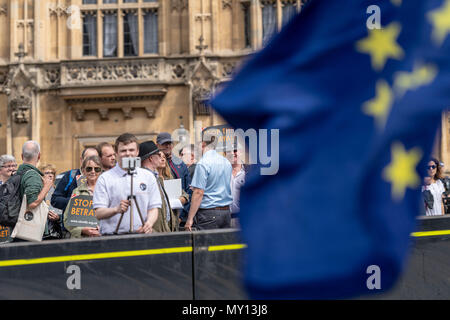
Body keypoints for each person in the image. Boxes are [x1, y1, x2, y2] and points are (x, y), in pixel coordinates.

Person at [93, 133, 161, 235]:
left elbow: (153, 208)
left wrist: (149, 223)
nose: (128, 154)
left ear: (137, 152)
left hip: (141, 236)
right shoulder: (105, 178)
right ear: (116, 153)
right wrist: (116, 209)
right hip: (113, 237)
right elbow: (98, 213)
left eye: (131, 150)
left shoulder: (148, 176)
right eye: (123, 151)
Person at [184, 131, 233, 231]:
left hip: (209, 213)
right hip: (226, 212)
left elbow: (198, 192)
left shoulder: (203, 163)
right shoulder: (226, 162)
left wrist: (190, 218)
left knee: (207, 245)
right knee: (224, 246)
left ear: (203, 143)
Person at [14, 141, 53, 241]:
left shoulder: (19, 173)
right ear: (39, 156)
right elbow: (32, 202)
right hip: (30, 231)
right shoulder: (32, 176)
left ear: (22, 156)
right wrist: (46, 187)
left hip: (20, 227)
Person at [51, 147, 99, 229]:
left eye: (95, 158)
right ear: (81, 160)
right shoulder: (70, 176)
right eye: (88, 158)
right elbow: (55, 199)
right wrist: (75, 202)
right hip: (72, 229)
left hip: (95, 228)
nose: (91, 161)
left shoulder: (103, 178)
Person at [139, 141, 179, 232]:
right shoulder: (143, 178)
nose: (161, 157)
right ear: (151, 158)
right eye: (158, 155)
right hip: (153, 231)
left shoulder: (155, 176)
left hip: (163, 230)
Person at [63, 156, 101, 238]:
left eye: (97, 169)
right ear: (83, 171)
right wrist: (82, 230)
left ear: (101, 171)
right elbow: (67, 220)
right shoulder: (76, 192)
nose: (93, 171)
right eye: (89, 169)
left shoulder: (107, 191)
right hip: (81, 241)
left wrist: (103, 229)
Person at [39, 164, 63, 239]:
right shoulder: (38, 190)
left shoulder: (59, 191)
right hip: (41, 231)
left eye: (52, 173)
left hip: (56, 231)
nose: (50, 175)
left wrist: (58, 218)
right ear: (41, 176)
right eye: (47, 173)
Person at [226, 147, 246, 228]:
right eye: (228, 151)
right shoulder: (222, 172)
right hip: (224, 218)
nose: (232, 153)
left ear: (242, 152)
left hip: (242, 218)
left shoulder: (249, 172)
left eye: (235, 150)